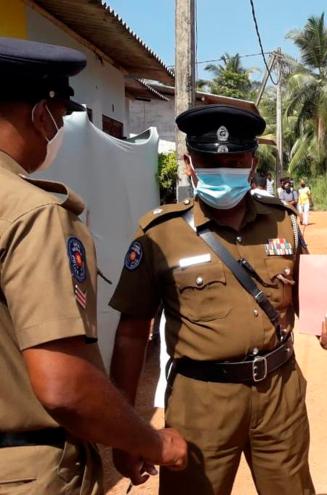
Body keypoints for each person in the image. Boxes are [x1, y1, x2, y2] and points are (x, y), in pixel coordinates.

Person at [109, 104, 327, 495]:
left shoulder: (285, 221)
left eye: (235, 159)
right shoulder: (159, 233)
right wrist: (125, 432)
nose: (223, 168)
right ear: (191, 164)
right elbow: (130, 333)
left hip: (280, 393)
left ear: (252, 163)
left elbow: (313, 299)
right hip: (200, 402)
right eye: (211, 160)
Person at [0, 37, 187, 494]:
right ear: (41, 113)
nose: (57, 129)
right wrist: (152, 441)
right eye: (61, 117)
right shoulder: (33, 213)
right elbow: (65, 385)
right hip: (22, 469)